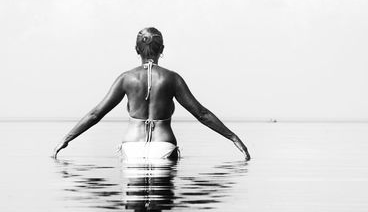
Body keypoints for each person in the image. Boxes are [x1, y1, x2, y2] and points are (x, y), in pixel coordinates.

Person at [53, 27, 250, 161]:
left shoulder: (126, 78)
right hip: (164, 148)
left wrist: (66, 139)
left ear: (136, 49)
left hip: (131, 149)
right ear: (162, 49)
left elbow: (95, 114)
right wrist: (233, 137)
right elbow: (202, 114)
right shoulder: (172, 79)